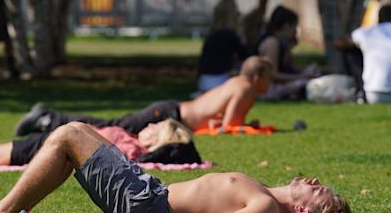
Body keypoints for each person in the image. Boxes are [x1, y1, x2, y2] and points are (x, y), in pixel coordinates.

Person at [0, 121, 354, 213]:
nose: (315, 180)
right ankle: (21, 204)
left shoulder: (266, 207)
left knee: (69, 136)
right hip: (148, 188)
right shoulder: (264, 194)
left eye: (318, 191)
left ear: (301, 210)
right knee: (81, 130)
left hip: (145, 204)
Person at [14, 56, 273, 137]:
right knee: (111, 128)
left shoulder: (236, 81)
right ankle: (49, 119)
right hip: (169, 117)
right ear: (258, 77)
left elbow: (220, 122)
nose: (271, 84)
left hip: (171, 113)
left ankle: (50, 119)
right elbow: (231, 126)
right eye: (270, 78)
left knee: (112, 127)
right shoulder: (245, 88)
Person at [0, 119, 198, 170]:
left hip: (48, 148)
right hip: (49, 140)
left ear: (159, 139)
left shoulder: (131, 151)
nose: (149, 125)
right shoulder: (130, 140)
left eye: (155, 127)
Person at [256, 5, 320, 101]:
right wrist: (301, 76)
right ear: (286, 26)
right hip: (268, 89)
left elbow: (290, 67)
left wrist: (308, 70)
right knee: (308, 83)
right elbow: (273, 75)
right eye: (294, 26)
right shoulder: (272, 43)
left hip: (277, 86)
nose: (295, 31)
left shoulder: (282, 43)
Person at [340, 4, 391, 104]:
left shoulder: (367, 33)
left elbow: (340, 43)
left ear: (379, 18)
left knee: (351, 52)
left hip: (375, 94)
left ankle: (359, 91)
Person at [195, 28, 247, 95]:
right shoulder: (232, 37)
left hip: (203, 81)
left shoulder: (212, 38)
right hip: (219, 81)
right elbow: (244, 56)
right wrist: (244, 44)